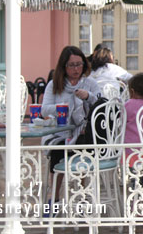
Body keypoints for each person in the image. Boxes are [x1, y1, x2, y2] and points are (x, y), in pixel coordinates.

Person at [41, 46, 102, 197]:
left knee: (81, 145)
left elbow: (102, 106)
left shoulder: (90, 84)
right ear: (64, 66)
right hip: (60, 132)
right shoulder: (54, 84)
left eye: (79, 64)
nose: (76, 69)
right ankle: (54, 196)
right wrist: (63, 108)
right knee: (58, 149)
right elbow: (45, 110)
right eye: (72, 65)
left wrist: (88, 97)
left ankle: (81, 194)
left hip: (84, 133)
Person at [123, 73, 143, 168]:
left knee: (133, 170)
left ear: (132, 91)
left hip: (132, 146)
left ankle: (135, 182)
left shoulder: (129, 104)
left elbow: (121, 119)